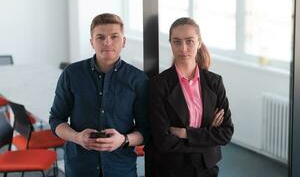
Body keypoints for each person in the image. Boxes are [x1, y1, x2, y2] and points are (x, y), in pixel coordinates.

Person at [49, 13, 149, 177]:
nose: (107, 42)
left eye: (114, 36)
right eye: (100, 37)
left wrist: (123, 140)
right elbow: (56, 119)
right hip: (80, 167)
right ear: (92, 42)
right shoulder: (71, 74)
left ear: (123, 41)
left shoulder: (138, 79)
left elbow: (146, 130)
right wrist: (77, 137)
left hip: (120, 168)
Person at [145, 17, 234, 177]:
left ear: (199, 43)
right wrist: (207, 138)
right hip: (170, 169)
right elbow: (163, 141)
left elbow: (226, 132)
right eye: (177, 42)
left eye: (190, 41)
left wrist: (185, 133)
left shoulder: (214, 82)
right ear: (170, 43)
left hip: (207, 168)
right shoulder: (158, 84)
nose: (183, 48)